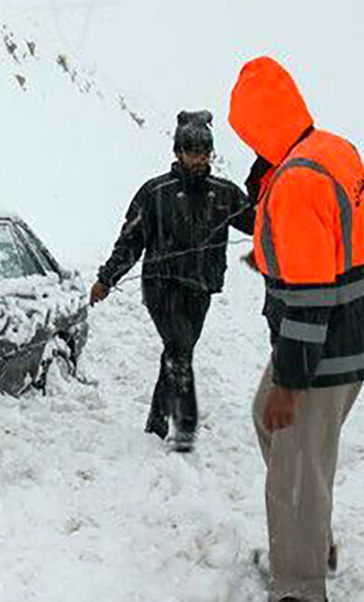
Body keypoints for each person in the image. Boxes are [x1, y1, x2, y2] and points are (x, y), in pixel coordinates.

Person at [229, 56, 364, 602]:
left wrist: (290, 388)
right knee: (272, 426)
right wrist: (272, 255)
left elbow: (312, 298)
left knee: (295, 471)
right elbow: (330, 241)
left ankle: (298, 585)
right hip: (347, 333)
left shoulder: (296, 181)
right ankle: (308, 544)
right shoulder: (332, 149)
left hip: (322, 352)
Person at [90, 110, 255, 451]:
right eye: (192, 152)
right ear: (178, 153)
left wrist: (267, 175)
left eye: (204, 152)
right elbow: (130, 240)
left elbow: (259, 221)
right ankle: (185, 429)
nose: (199, 159)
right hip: (161, 286)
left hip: (201, 288)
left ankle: (155, 422)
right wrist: (107, 278)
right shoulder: (155, 192)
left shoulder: (224, 194)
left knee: (178, 350)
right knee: (180, 351)